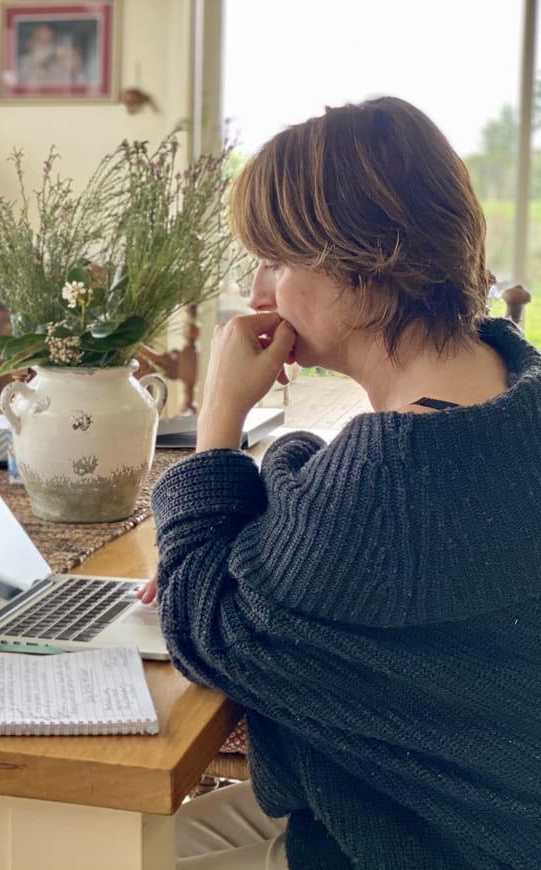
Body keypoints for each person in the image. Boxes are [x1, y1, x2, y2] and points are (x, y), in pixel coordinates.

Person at [138, 96, 541, 867]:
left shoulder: (393, 477)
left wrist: (221, 412)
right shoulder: (516, 386)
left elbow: (202, 624)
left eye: (279, 261)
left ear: (362, 269)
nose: (265, 291)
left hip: (410, 842)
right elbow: (322, 531)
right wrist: (277, 497)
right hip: (463, 811)